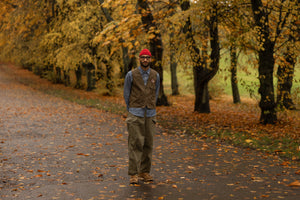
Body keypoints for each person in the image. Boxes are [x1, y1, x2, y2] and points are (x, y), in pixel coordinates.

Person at [123, 48, 160, 184]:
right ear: (139, 59)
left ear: (150, 60)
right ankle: (133, 173)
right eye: (143, 57)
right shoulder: (131, 75)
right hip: (135, 114)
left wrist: (150, 105)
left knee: (148, 144)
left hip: (150, 114)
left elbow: (155, 94)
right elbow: (126, 94)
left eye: (147, 57)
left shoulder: (155, 75)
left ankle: (144, 172)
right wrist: (132, 109)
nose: (145, 59)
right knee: (135, 143)